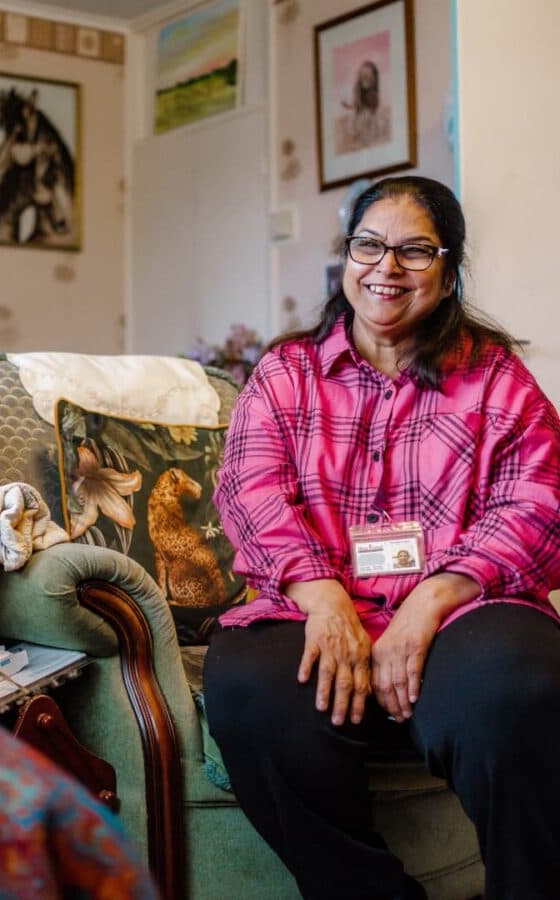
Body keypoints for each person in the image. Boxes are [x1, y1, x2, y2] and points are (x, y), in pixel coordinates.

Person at [203, 175, 560, 899]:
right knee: (247, 688)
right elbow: (250, 491)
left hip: (462, 610)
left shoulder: (497, 381)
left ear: (450, 268)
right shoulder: (285, 374)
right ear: (347, 258)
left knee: (520, 686)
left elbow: (540, 501)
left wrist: (429, 603)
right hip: (311, 603)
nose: (387, 267)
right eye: (369, 244)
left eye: (415, 251)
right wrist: (324, 598)